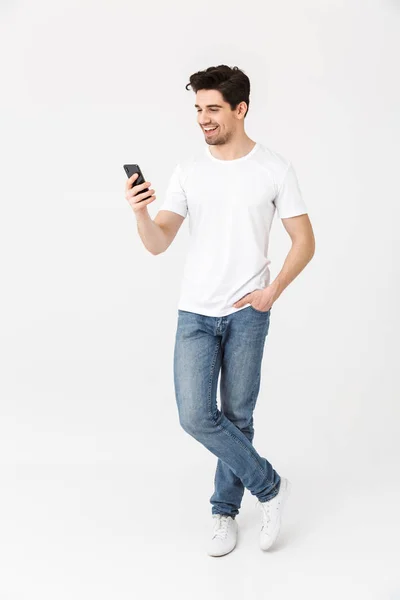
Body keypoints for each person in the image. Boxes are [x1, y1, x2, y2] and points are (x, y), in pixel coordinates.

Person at [124, 65, 315, 557]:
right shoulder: (189, 170)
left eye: (212, 109)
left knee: (237, 415)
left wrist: (272, 291)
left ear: (240, 109)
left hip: (249, 309)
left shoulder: (274, 168)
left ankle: (224, 511)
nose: (203, 119)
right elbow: (158, 242)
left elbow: (304, 241)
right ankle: (271, 486)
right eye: (198, 110)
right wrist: (141, 213)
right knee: (195, 416)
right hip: (196, 313)